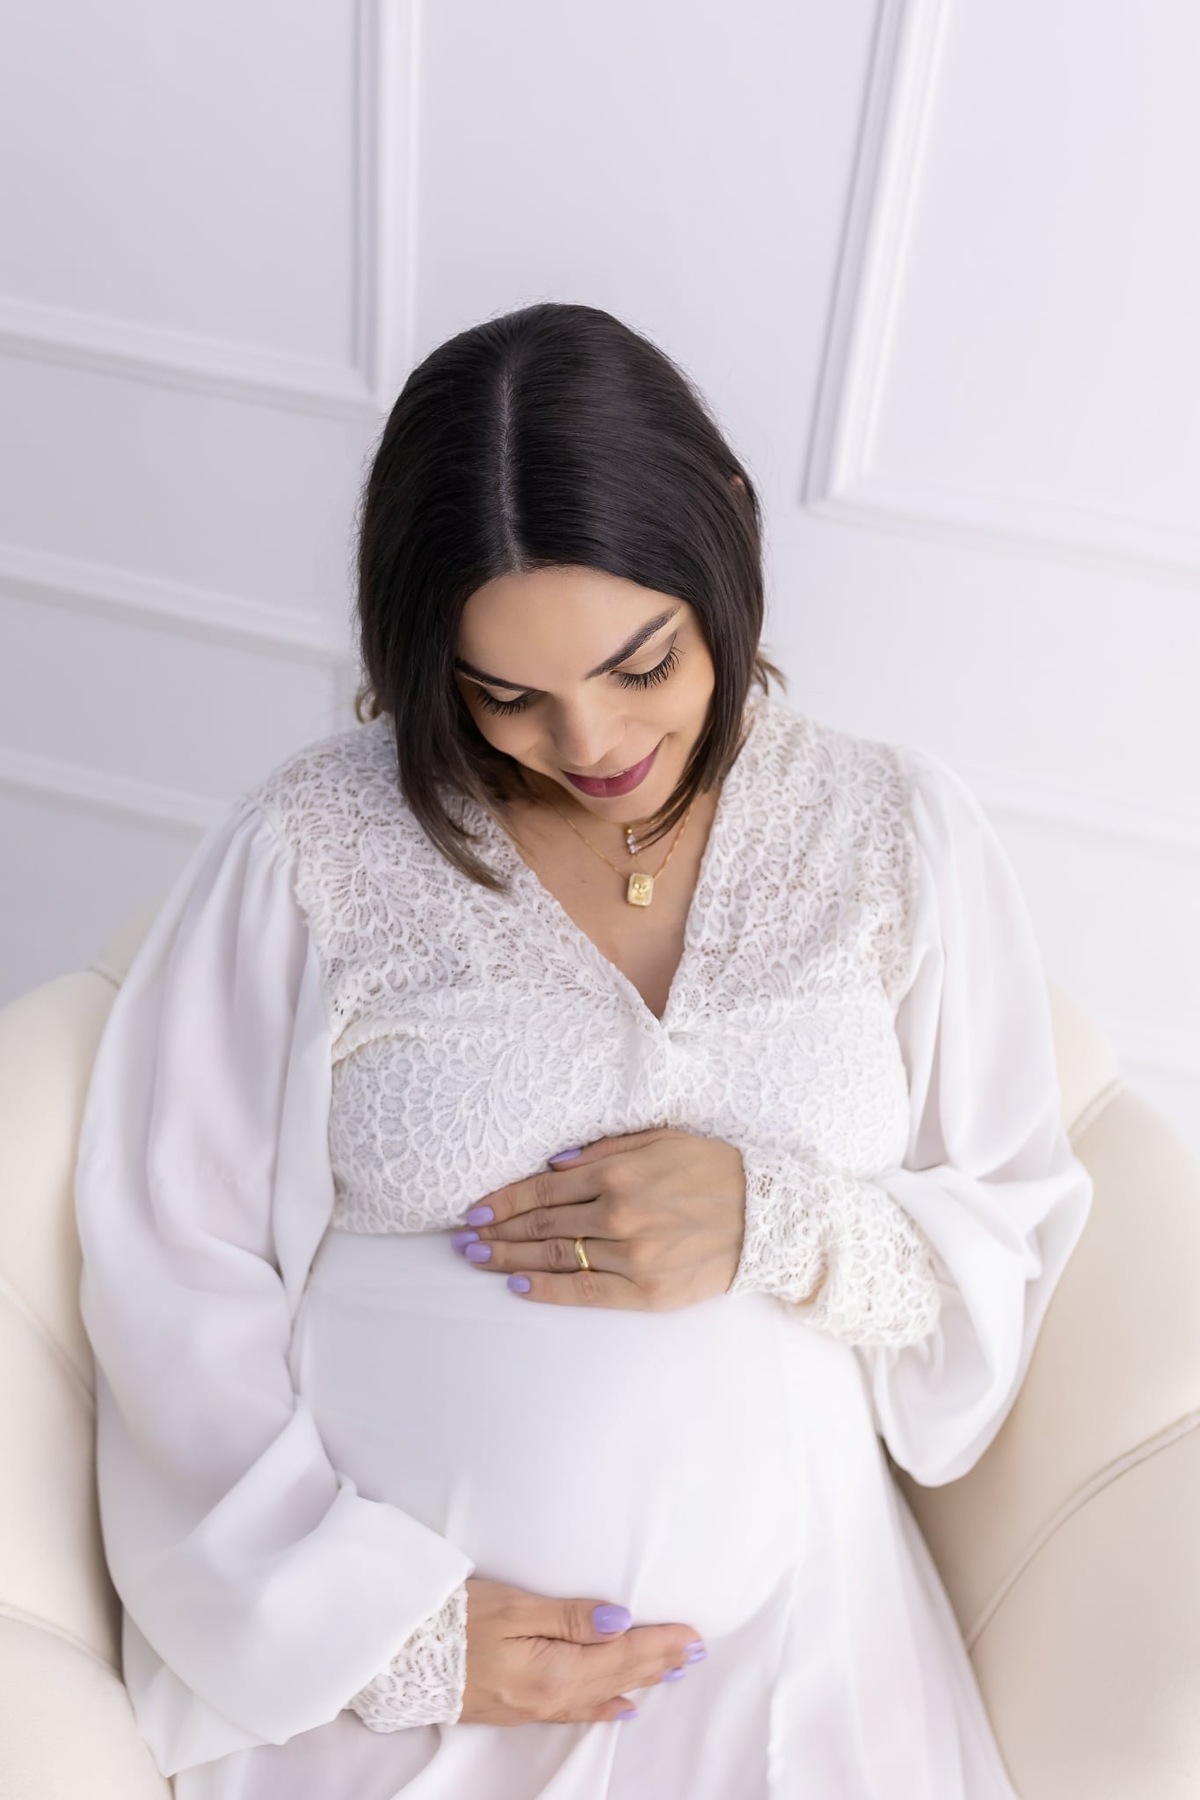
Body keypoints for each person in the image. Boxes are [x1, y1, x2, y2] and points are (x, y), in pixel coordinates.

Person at [74, 301, 1093, 1799]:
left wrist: (776, 1221)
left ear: (728, 540)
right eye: (507, 697)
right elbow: (172, 1265)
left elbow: (1011, 1226)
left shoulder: (897, 834)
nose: (594, 739)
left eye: (644, 661)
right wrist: (388, 1629)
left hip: (806, 1665)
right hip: (407, 1682)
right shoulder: (314, 847)